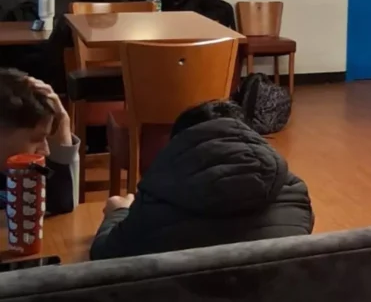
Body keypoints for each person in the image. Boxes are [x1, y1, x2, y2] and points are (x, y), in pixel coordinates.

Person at [89, 100, 313, 260]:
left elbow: (104, 256)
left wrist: (117, 213)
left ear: (179, 144)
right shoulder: (293, 194)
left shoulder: (152, 206)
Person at [0, 70, 79, 215]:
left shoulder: (24, 170)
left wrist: (63, 126)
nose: (46, 151)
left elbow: (61, 204)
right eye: (36, 139)